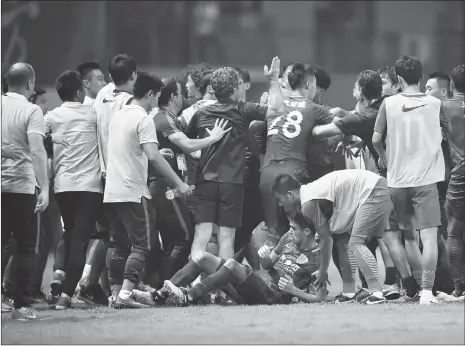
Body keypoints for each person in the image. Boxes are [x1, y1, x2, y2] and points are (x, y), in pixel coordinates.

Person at [104, 72, 191, 309]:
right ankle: (125, 296)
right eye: (157, 96)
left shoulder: (119, 116)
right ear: (151, 94)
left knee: (119, 245)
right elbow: (153, 157)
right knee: (142, 245)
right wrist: (179, 183)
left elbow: (131, 149)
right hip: (133, 189)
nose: (157, 102)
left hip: (112, 189)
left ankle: (115, 295)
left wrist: (150, 154)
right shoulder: (143, 118)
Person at [312, 70, 401, 300]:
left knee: (377, 238)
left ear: (361, 91)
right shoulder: (385, 106)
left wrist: (315, 124)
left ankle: (391, 286)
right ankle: (399, 285)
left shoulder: (361, 118)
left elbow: (322, 131)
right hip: (398, 176)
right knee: (391, 236)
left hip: (383, 180)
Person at [186, 57, 284, 261]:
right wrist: (274, 80)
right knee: (226, 239)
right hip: (232, 183)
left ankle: (193, 282)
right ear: (233, 90)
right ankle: (219, 290)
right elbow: (277, 110)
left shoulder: (201, 113)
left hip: (204, 182)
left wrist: (198, 153)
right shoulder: (244, 110)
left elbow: (187, 143)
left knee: (201, 238)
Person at [372, 55, 445, 305]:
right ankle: (427, 291)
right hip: (426, 179)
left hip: (397, 180)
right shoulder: (436, 104)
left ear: (399, 79)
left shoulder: (388, 104)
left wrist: (383, 158)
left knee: (409, 237)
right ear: (421, 77)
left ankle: (415, 289)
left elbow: (375, 140)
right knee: (429, 237)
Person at [150, 76, 230, 281]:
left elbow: (186, 150)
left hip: (170, 186)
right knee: (184, 239)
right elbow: (185, 144)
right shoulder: (162, 118)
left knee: (171, 240)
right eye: (181, 92)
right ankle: (169, 285)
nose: (185, 95)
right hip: (164, 186)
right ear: (174, 96)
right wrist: (212, 138)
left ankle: (164, 284)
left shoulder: (172, 118)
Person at [272, 170, 392, 304]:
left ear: (290, 195)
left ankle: (377, 292)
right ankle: (349, 293)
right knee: (341, 241)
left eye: (279, 199)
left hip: (373, 190)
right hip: (373, 187)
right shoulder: (310, 193)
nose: (280, 204)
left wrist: (323, 271)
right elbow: (330, 236)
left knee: (356, 243)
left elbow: (326, 239)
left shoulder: (308, 203)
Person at [161, 211, 326, 306]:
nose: (289, 232)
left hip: (273, 296)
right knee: (202, 257)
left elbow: (320, 298)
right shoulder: (287, 239)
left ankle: (188, 296)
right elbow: (267, 265)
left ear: (306, 232)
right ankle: (159, 296)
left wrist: (293, 290)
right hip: (257, 283)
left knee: (233, 264)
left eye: (293, 229)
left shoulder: (319, 259)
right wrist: (264, 257)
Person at [44, 70, 103, 310]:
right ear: (80, 92)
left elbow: (35, 139)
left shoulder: (51, 117)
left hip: (63, 187)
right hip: (89, 187)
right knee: (80, 239)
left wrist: (52, 140)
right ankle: (67, 295)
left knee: (69, 232)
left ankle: (59, 274)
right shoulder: (94, 114)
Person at [260, 63, 334, 246]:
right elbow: (342, 125)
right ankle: (300, 272)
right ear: (309, 85)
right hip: (293, 172)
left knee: (273, 233)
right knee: (303, 231)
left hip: (267, 173)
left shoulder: (274, 105)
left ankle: (269, 272)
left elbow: (254, 128)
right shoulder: (312, 107)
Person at [1, 63, 49, 320]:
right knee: (25, 246)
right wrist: (45, 188)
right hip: (21, 186)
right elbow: (37, 150)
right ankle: (20, 304)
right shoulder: (31, 110)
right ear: (30, 83)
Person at [443, 64, 465, 299]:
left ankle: (460, 289)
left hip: (460, 174)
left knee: (454, 232)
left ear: (452, 85)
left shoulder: (445, 107)